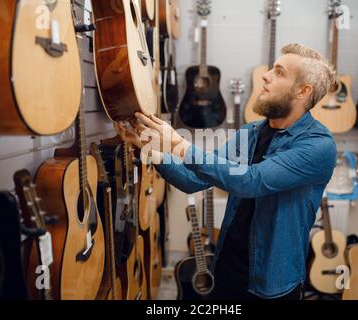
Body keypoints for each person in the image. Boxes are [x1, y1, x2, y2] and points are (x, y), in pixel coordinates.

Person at [115, 43, 338, 300]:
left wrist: (178, 144)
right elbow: (191, 180)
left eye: (279, 72)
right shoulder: (250, 133)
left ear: (303, 91)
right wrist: (151, 146)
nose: (266, 76)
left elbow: (251, 182)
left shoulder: (318, 145)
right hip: (226, 269)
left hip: (272, 283)